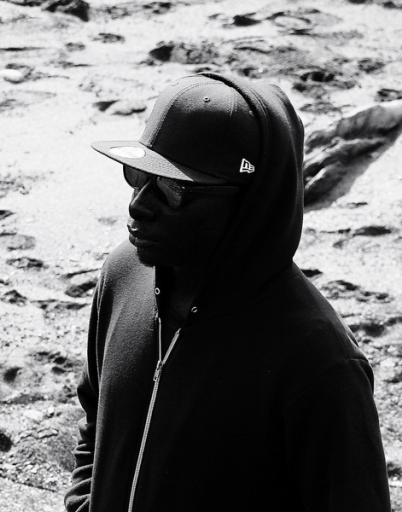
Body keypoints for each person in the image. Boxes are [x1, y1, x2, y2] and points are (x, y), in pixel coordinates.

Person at [64, 73, 391, 512]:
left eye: (174, 188)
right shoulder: (123, 274)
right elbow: (96, 418)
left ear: (251, 203)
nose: (138, 204)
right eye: (138, 174)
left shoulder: (319, 363)